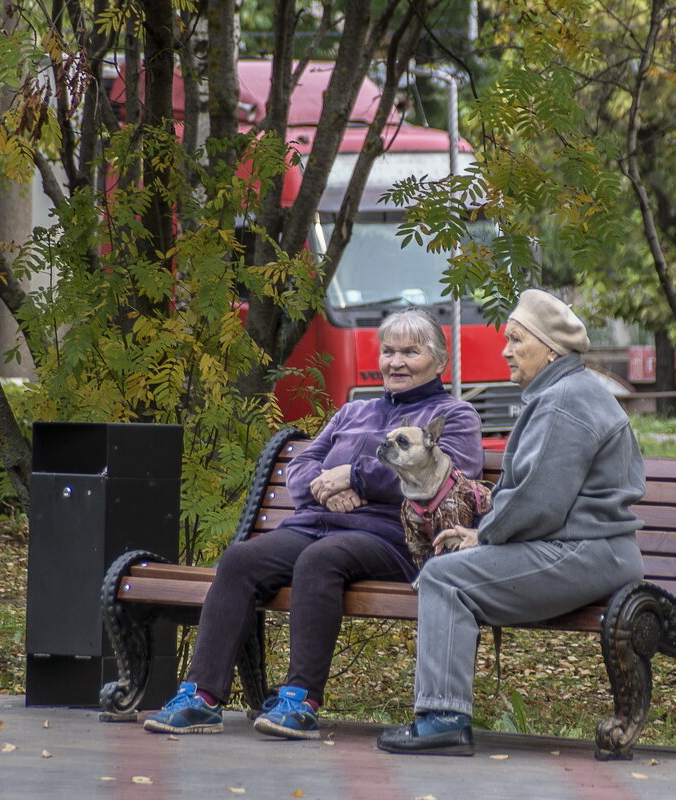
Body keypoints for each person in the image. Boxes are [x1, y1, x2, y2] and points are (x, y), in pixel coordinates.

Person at [144, 308, 484, 739]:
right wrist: (328, 486)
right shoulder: (352, 412)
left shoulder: (453, 416)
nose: (395, 362)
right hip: (315, 523)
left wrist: (356, 476)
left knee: (320, 560)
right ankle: (201, 698)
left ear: (439, 362)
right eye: (388, 351)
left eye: (410, 352)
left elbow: (449, 476)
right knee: (240, 560)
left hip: (389, 536)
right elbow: (303, 463)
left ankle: (299, 700)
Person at [375, 289, 646, 756]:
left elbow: (538, 501)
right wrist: (483, 535)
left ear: (551, 348)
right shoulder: (563, 393)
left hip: (587, 550)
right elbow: (529, 496)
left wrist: (484, 536)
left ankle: (442, 719)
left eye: (516, 339)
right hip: (589, 548)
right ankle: (443, 717)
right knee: (448, 571)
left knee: (442, 576)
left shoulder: (563, 401)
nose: (505, 350)